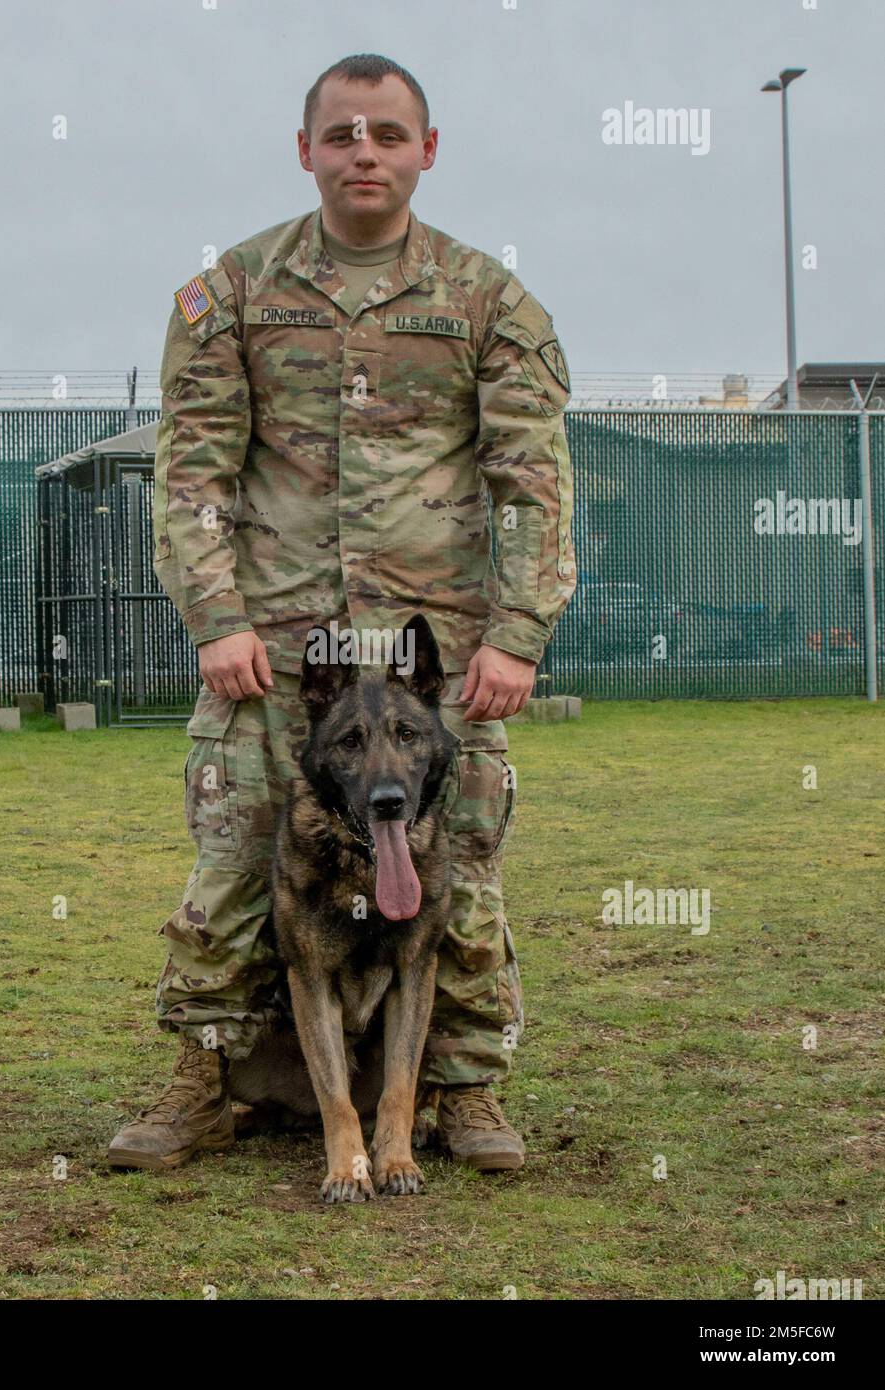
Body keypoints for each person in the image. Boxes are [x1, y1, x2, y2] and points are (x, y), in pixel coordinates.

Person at [107, 53, 576, 1176]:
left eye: (387, 132)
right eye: (341, 132)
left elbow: (533, 481)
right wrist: (214, 616)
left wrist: (517, 635)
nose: (363, 150)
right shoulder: (230, 294)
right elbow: (193, 475)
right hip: (270, 656)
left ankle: (461, 1092)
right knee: (228, 870)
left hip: (436, 663)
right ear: (306, 149)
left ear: (425, 150)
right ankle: (208, 1080)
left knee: (454, 874)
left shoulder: (486, 302)